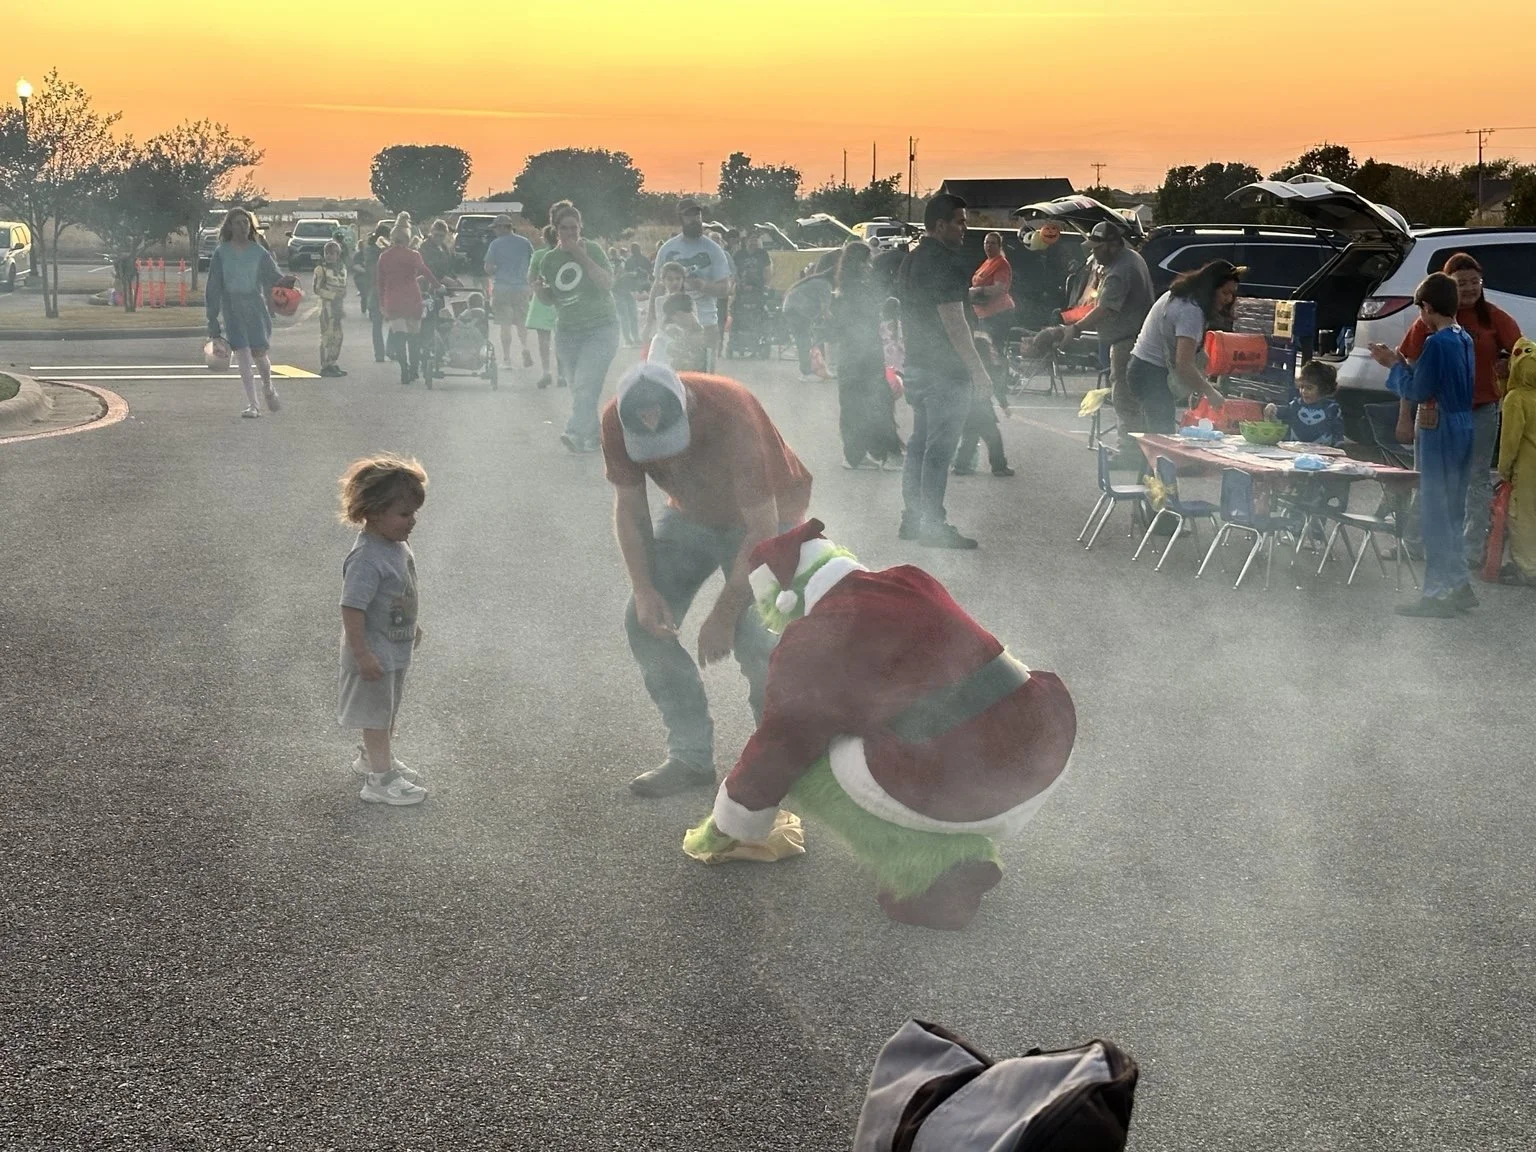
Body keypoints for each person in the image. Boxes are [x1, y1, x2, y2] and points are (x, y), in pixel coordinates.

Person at [682, 519, 1075, 930]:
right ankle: (954, 831)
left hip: (980, 777)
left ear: (783, 600)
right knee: (889, 723)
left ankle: (938, 875)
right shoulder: (910, 579)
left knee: (812, 763)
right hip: (1044, 738)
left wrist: (728, 824)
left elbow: (780, 747)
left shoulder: (811, 637)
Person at [601, 363, 813, 798]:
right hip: (691, 514)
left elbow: (761, 528)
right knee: (642, 625)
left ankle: (777, 761)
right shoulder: (616, 419)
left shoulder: (730, 414)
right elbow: (630, 508)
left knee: (759, 639)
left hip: (770, 517)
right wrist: (644, 590)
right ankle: (690, 758)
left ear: (686, 407)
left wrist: (724, 614)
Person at [1397, 252, 1522, 570]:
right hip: (1433, 413)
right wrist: (1404, 416)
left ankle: (1468, 550)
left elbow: (1524, 355)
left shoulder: (1495, 318)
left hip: (1479, 411)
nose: (1469, 288)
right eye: (1461, 282)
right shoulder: (1428, 320)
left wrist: (1509, 362)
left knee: (1475, 479)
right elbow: (1409, 367)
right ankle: (1413, 543)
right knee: (1427, 478)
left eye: (1474, 282)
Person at [1370, 272, 1477, 617]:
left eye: (1421, 310)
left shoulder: (1435, 343)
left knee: (1434, 510)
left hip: (1440, 426)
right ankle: (1458, 583)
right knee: (1454, 509)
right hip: (1463, 423)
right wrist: (1402, 364)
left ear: (1427, 307)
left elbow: (1418, 391)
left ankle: (1437, 593)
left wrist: (1393, 365)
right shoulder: (1465, 339)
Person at [896, 193, 995, 549]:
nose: (965, 228)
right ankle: (932, 525)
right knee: (937, 450)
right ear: (940, 226)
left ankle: (912, 518)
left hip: (918, 366)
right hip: (944, 372)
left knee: (920, 445)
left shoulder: (912, 261)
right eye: (960, 221)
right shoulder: (945, 262)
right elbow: (954, 324)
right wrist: (979, 371)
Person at [337, 454, 430, 807]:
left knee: (386, 710)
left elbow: (396, 593)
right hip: (373, 653)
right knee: (377, 715)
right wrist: (362, 653)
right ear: (373, 511)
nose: (413, 522)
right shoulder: (366, 558)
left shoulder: (394, 545)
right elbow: (352, 607)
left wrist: (411, 622)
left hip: (392, 649)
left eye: (414, 513)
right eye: (404, 514)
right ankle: (379, 780)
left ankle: (373, 758)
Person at [1053, 222, 1153, 454]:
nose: (1093, 253)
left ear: (1112, 245)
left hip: (1127, 342)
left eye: (1097, 248)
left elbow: (1105, 308)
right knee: (1134, 398)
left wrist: (1075, 329)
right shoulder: (1132, 258)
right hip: (1135, 339)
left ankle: (1129, 452)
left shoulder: (1119, 272)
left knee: (1124, 398)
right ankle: (1142, 448)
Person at [534, 201, 619, 453]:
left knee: (585, 384)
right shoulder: (549, 260)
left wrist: (580, 255)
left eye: (574, 227)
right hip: (568, 332)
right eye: (564, 228)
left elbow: (606, 283)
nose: (570, 233)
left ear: (581, 227)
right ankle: (593, 437)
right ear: (556, 230)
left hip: (601, 328)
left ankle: (572, 431)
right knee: (581, 389)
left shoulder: (592, 249)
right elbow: (551, 299)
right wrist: (540, 292)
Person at [1126, 259, 1239, 435]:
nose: (1229, 299)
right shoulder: (1190, 311)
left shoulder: (1181, 296)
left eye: (1232, 294)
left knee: (1152, 434)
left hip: (1141, 368)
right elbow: (1184, 365)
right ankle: (1148, 462)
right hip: (1150, 373)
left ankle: (1142, 461)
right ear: (1210, 289)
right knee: (1162, 437)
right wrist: (1210, 392)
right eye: (1225, 292)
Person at [205, 207, 285, 419]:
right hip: (231, 306)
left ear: (251, 226)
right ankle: (253, 404)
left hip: (254, 305)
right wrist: (212, 317)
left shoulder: (259, 252)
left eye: (246, 222)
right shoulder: (221, 253)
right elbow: (213, 285)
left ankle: (268, 387)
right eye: (238, 222)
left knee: (259, 354)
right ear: (229, 226)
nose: (243, 226)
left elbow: (274, 276)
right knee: (242, 354)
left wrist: (286, 286)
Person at [833, 241, 903, 469]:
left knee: (851, 404)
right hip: (867, 354)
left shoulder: (843, 287)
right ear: (862, 263)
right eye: (868, 260)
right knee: (878, 402)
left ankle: (853, 454)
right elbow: (870, 319)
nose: (870, 265)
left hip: (848, 355)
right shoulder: (863, 288)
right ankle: (887, 452)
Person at [651, 200, 732, 369]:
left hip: (706, 322)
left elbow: (725, 289)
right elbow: (657, 286)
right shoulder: (667, 249)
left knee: (704, 381)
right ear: (681, 219)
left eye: (697, 215)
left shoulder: (714, 250)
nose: (694, 219)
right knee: (673, 377)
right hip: (673, 324)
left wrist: (702, 286)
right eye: (689, 216)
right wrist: (649, 322)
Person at [376, 223, 442, 386]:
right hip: (412, 297)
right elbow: (425, 271)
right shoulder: (414, 255)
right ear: (407, 239)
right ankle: (414, 369)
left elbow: (380, 282)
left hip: (393, 299)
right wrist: (437, 285)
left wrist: (381, 303)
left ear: (392, 238)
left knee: (399, 336)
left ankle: (404, 369)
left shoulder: (384, 257)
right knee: (414, 337)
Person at [1497, 338, 1536, 585]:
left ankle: (1528, 568)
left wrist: (1504, 470)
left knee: (1522, 516)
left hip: (1527, 466)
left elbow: (1510, 441)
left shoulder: (1516, 399)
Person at [953, 335, 1013, 477]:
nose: (993, 350)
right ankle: (999, 467)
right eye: (990, 347)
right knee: (994, 438)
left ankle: (961, 465)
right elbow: (996, 388)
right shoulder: (987, 366)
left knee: (970, 437)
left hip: (968, 406)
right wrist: (1004, 406)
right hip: (982, 408)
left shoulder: (967, 365)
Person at [483, 214, 536, 370]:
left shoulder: (495, 244)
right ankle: (525, 347)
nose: (494, 231)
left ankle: (506, 359)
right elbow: (533, 263)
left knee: (505, 324)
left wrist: (497, 269)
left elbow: (488, 268)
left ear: (502, 227)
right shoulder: (525, 242)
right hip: (522, 287)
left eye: (496, 228)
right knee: (521, 322)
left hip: (503, 287)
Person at [781, 254, 838, 379]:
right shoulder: (825, 285)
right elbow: (826, 309)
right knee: (803, 340)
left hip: (791, 308)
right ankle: (806, 371)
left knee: (803, 340)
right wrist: (835, 323)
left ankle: (806, 369)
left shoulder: (817, 280)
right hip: (798, 311)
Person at [1265, 360, 1344, 445]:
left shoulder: (1332, 408)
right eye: (1301, 387)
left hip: (1321, 454)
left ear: (1323, 389)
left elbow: (1338, 433)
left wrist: (1338, 450)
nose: (1303, 391)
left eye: (1309, 388)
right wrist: (1272, 409)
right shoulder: (1296, 405)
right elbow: (1281, 413)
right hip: (1294, 450)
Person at [525, 225, 563, 389]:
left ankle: (546, 371)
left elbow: (531, 277)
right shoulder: (564, 254)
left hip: (542, 297)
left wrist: (537, 287)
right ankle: (562, 373)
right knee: (561, 338)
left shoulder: (539, 255)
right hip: (562, 298)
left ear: (545, 238)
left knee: (543, 339)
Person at [968, 231, 1016, 356]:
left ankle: (999, 374)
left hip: (998, 313)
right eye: (986, 243)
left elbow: (999, 288)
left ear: (999, 246)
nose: (989, 246)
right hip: (984, 313)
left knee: (994, 349)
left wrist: (975, 291)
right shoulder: (988, 262)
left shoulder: (1001, 263)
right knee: (988, 349)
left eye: (993, 243)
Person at [312, 241, 349, 378]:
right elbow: (317, 288)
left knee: (338, 336)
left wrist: (342, 295)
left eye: (332, 253)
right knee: (327, 336)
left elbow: (344, 285)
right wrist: (332, 296)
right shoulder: (320, 269)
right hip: (326, 306)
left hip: (338, 306)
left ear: (338, 255)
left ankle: (332, 363)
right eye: (327, 253)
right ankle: (325, 365)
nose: (329, 256)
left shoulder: (342, 268)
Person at [647, 293, 708, 372]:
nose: (693, 315)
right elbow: (654, 369)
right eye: (672, 318)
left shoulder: (700, 335)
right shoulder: (662, 339)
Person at [359, 221, 391, 363]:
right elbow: (372, 269)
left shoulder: (372, 249)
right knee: (380, 323)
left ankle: (385, 351)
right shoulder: (374, 250)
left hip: (376, 289)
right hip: (378, 289)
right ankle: (382, 352)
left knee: (385, 323)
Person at [419, 219, 455, 283]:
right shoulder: (424, 247)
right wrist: (443, 278)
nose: (438, 238)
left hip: (444, 282)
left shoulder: (444, 248)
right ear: (431, 232)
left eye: (441, 236)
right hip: (428, 283)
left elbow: (449, 267)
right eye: (436, 235)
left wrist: (455, 278)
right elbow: (427, 268)